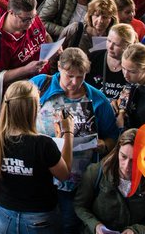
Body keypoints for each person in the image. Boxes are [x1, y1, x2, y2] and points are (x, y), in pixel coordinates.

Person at [28, 48, 120, 234]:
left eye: (81, 77)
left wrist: (103, 145)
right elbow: (19, 116)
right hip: (39, 175)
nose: (74, 82)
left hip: (77, 181)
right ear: (59, 69)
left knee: (69, 224)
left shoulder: (98, 100)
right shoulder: (39, 85)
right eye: (69, 76)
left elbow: (113, 137)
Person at [0, 79, 73, 234]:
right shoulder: (43, 144)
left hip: (5, 214)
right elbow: (64, 174)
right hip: (40, 217)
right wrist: (68, 133)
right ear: (34, 109)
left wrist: (12, 175)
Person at [73, 128, 145, 234]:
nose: (127, 166)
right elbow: (80, 206)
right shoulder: (96, 172)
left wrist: (135, 230)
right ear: (117, 152)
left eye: (134, 160)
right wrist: (96, 225)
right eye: (123, 157)